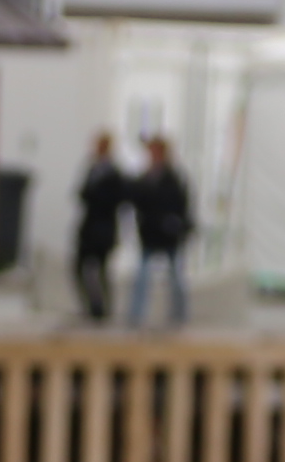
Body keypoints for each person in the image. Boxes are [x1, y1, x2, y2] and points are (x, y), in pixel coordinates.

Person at [124, 135, 194, 328]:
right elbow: (137, 199)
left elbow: (181, 204)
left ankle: (180, 315)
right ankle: (136, 315)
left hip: (168, 234)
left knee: (175, 277)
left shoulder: (173, 177)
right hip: (149, 233)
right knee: (142, 276)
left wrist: (177, 225)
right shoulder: (146, 177)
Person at [68, 133, 128, 325]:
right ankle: (91, 306)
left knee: (102, 270)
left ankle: (104, 309)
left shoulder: (114, 173)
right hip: (89, 227)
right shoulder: (91, 169)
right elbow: (82, 194)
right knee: (79, 267)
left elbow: (114, 200)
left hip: (104, 229)